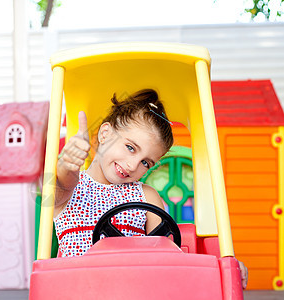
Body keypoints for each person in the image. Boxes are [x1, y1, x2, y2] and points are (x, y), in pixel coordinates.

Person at [54, 89, 248, 289]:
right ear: (105, 134)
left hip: (136, 289)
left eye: (146, 163)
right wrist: (67, 164)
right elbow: (61, 184)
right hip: (78, 289)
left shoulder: (145, 196)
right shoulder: (72, 187)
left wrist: (222, 268)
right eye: (130, 147)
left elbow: (169, 257)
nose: (132, 165)